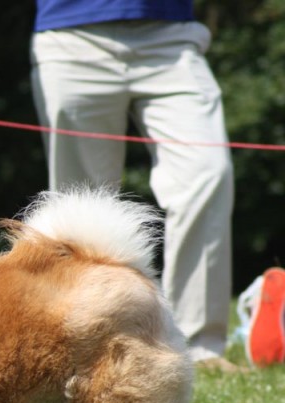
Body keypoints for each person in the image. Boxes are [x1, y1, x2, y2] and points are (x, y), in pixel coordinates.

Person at [30, 0, 236, 370]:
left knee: (208, 172)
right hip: (72, 33)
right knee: (81, 206)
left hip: (170, 36)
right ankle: (89, 342)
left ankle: (198, 347)